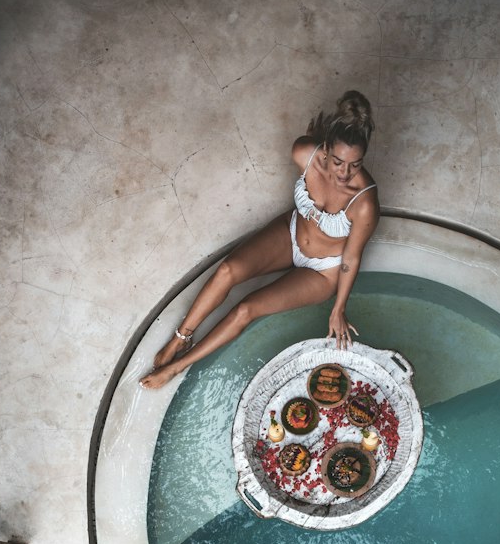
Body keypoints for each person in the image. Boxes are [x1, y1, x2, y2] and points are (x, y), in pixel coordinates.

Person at [140, 90, 378, 389]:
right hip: (291, 233)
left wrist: (338, 308)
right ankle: (181, 339)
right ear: (326, 148)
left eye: (355, 164)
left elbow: (351, 259)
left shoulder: (365, 202)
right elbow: (312, 151)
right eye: (338, 162)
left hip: (323, 270)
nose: (345, 173)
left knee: (245, 309)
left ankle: (176, 368)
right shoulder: (304, 154)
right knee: (227, 271)